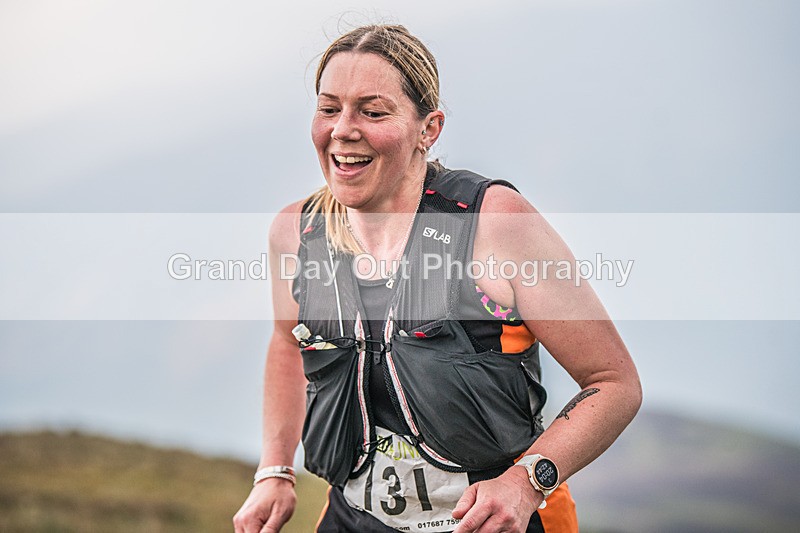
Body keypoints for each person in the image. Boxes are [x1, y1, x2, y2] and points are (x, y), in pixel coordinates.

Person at [233, 24, 641, 533]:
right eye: (329, 107)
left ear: (429, 129)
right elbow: (285, 342)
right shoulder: (296, 233)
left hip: (499, 521)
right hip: (355, 518)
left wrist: (525, 483)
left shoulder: (495, 224)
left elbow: (614, 384)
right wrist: (275, 471)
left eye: (373, 111)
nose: (343, 129)